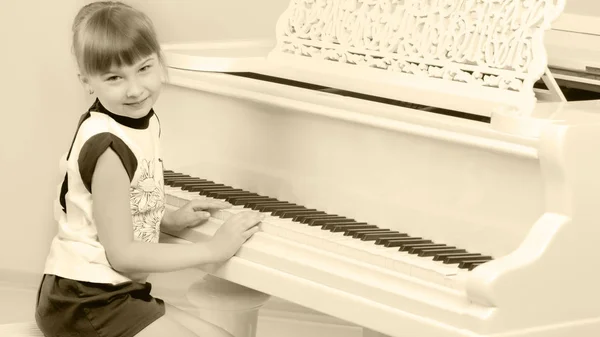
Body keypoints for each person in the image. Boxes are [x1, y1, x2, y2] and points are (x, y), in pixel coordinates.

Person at [34, 2, 263, 337]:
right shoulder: (108, 149)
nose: (135, 89)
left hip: (114, 293)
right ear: (87, 82)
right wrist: (213, 249)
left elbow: (117, 209)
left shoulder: (142, 120)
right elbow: (124, 255)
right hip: (85, 300)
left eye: (144, 68)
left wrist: (167, 219)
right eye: (114, 77)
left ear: (159, 60)